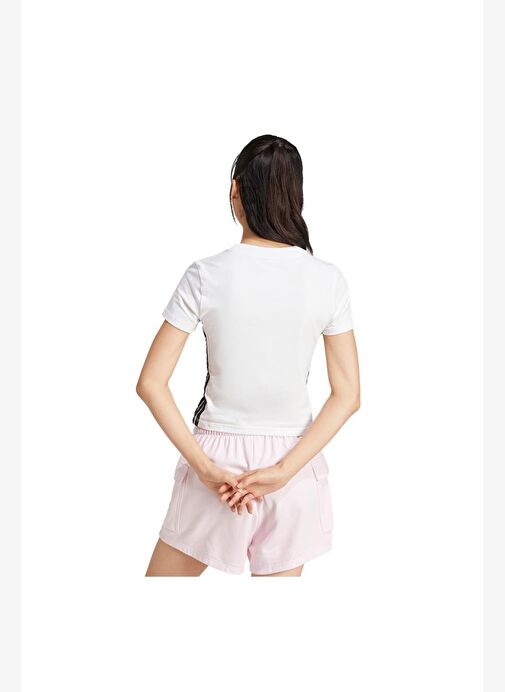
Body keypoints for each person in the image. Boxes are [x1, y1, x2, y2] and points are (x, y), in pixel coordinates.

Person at [137, 135, 361, 577]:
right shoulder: (328, 280)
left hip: (216, 464)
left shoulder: (205, 275)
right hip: (295, 464)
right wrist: (284, 471)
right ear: (295, 195)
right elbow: (348, 395)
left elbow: (150, 383)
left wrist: (205, 469)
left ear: (235, 190)